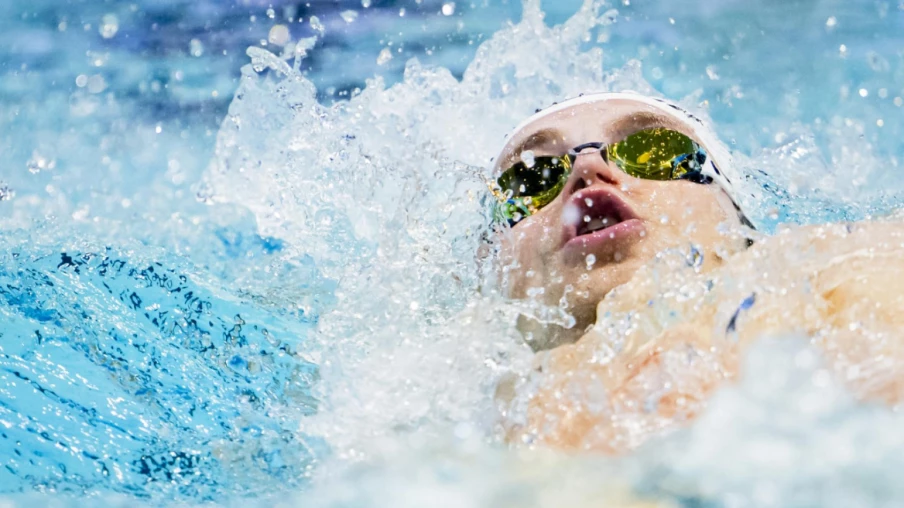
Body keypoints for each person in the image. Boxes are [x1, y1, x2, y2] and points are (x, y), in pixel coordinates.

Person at [490, 92, 904, 453]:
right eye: (530, 179)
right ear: (490, 268)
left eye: (655, 150)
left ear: (737, 213)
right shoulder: (469, 409)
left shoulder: (843, 268)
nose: (588, 169)